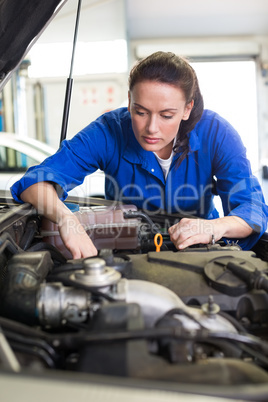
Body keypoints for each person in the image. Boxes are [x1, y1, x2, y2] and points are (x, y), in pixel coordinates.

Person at [11, 51, 268, 259]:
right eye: (140, 111)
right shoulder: (109, 131)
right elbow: (35, 181)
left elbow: (252, 208)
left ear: (187, 108)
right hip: (125, 254)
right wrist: (67, 220)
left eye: (166, 115)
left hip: (200, 253)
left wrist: (214, 227)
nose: (151, 128)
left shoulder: (216, 133)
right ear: (129, 100)